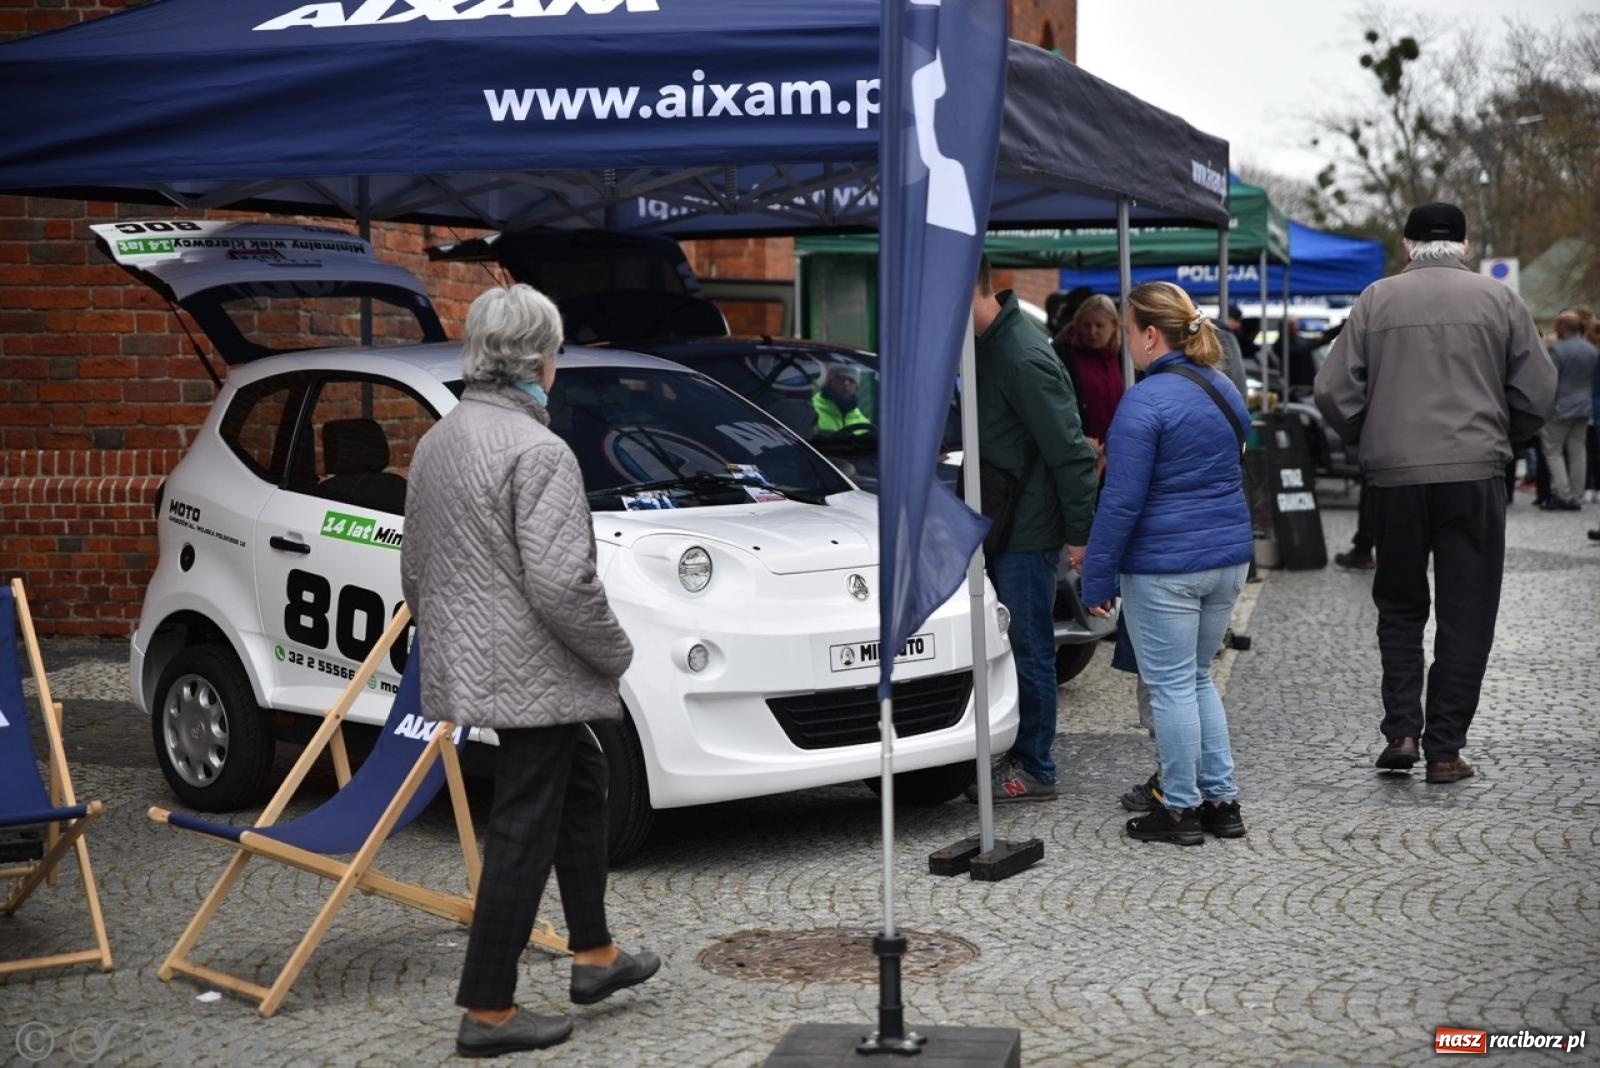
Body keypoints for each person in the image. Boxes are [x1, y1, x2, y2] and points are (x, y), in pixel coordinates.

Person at [402, 284, 660, 1058]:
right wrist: (615, 651)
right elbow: (562, 584)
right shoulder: (539, 450)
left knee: (582, 779)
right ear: (542, 360)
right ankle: (487, 1009)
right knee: (523, 823)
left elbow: (414, 570)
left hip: (473, 659)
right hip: (529, 669)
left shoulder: (438, 439)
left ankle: (594, 955)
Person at [1313, 203, 1555, 784]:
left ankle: (1401, 729)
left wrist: (1370, 435)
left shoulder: (1375, 299)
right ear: (1466, 246)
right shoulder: (1501, 301)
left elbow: (1331, 389)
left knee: (1398, 605)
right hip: (1474, 474)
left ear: (1407, 245)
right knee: (1466, 613)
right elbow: (1539, 390)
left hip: (1394, 477)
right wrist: (1504, 438)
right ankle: (1445, 749)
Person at [1081, 282, 1253, 846]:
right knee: (1199, 679)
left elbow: (1121, 500)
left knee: (1172, 687)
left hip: (1166, 566)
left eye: (1128, 332)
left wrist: (1096, 577)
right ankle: (1222, 802)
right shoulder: (1225, 387)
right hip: (1227, 557)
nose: (1126, 344)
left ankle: (1178, 809)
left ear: (1151, 335)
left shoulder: (1145, 400)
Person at [968, 256, 1098, 802]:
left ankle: (1035, 765)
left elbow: (1071, 452)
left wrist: (1080, 536)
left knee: (1029, 647)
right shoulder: (992, 345)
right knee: (1014, 645)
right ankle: (1017, 751)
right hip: (1002, 525)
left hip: (1026, 534)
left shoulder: (1020, 355)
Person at [1056, 294, 1125, 478]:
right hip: (1082, 456)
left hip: (1120, 456)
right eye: (1086, 325)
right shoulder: (1064, 356)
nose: (1092, 332)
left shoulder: (1126, 357)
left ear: (1114, 326)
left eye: (1099, 326)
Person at [1538, 310, 1598, 511]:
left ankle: (1563, 494)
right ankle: (1577, 495)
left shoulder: (1558, 350)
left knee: (1553, 450)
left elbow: (1549, 380)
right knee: (1578, 450)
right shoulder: (1592, 350)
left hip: (1561, 407)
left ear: (1562, 328)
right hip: (1584, 406)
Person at [812, 363, 871, 434]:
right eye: (841, 378)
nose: (846, 383)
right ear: (829, 383)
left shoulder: (864, 424)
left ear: (856, 388)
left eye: (851, 380)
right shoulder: (811, 413)